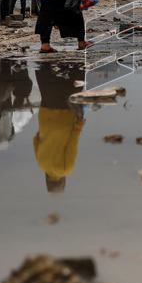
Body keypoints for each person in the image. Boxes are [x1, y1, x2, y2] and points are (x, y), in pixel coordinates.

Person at [33, 62, 86, 193]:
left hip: (64, 116)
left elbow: (72, 144)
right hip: (46, 114)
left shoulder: (66, 169)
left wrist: (79, 125)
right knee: (50, 85)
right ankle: (49, 64)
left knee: (77, 80)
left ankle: (76, 62)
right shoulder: (42, 165)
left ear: (62, 181)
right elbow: (35, 140)